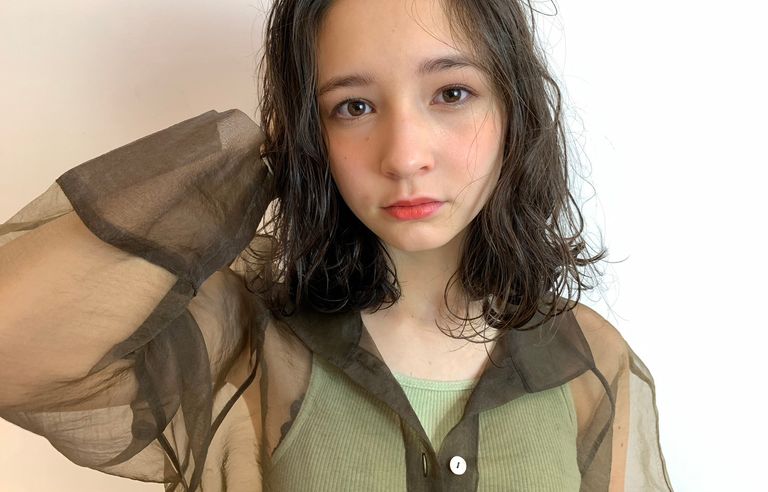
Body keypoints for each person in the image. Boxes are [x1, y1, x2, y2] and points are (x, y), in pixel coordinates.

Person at [0, 0, 673, 490]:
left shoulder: (588, 359)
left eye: (451, 93)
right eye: (353, 107)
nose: (404, 155)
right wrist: (265, 158)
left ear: (512, 110)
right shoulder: (246, 339)